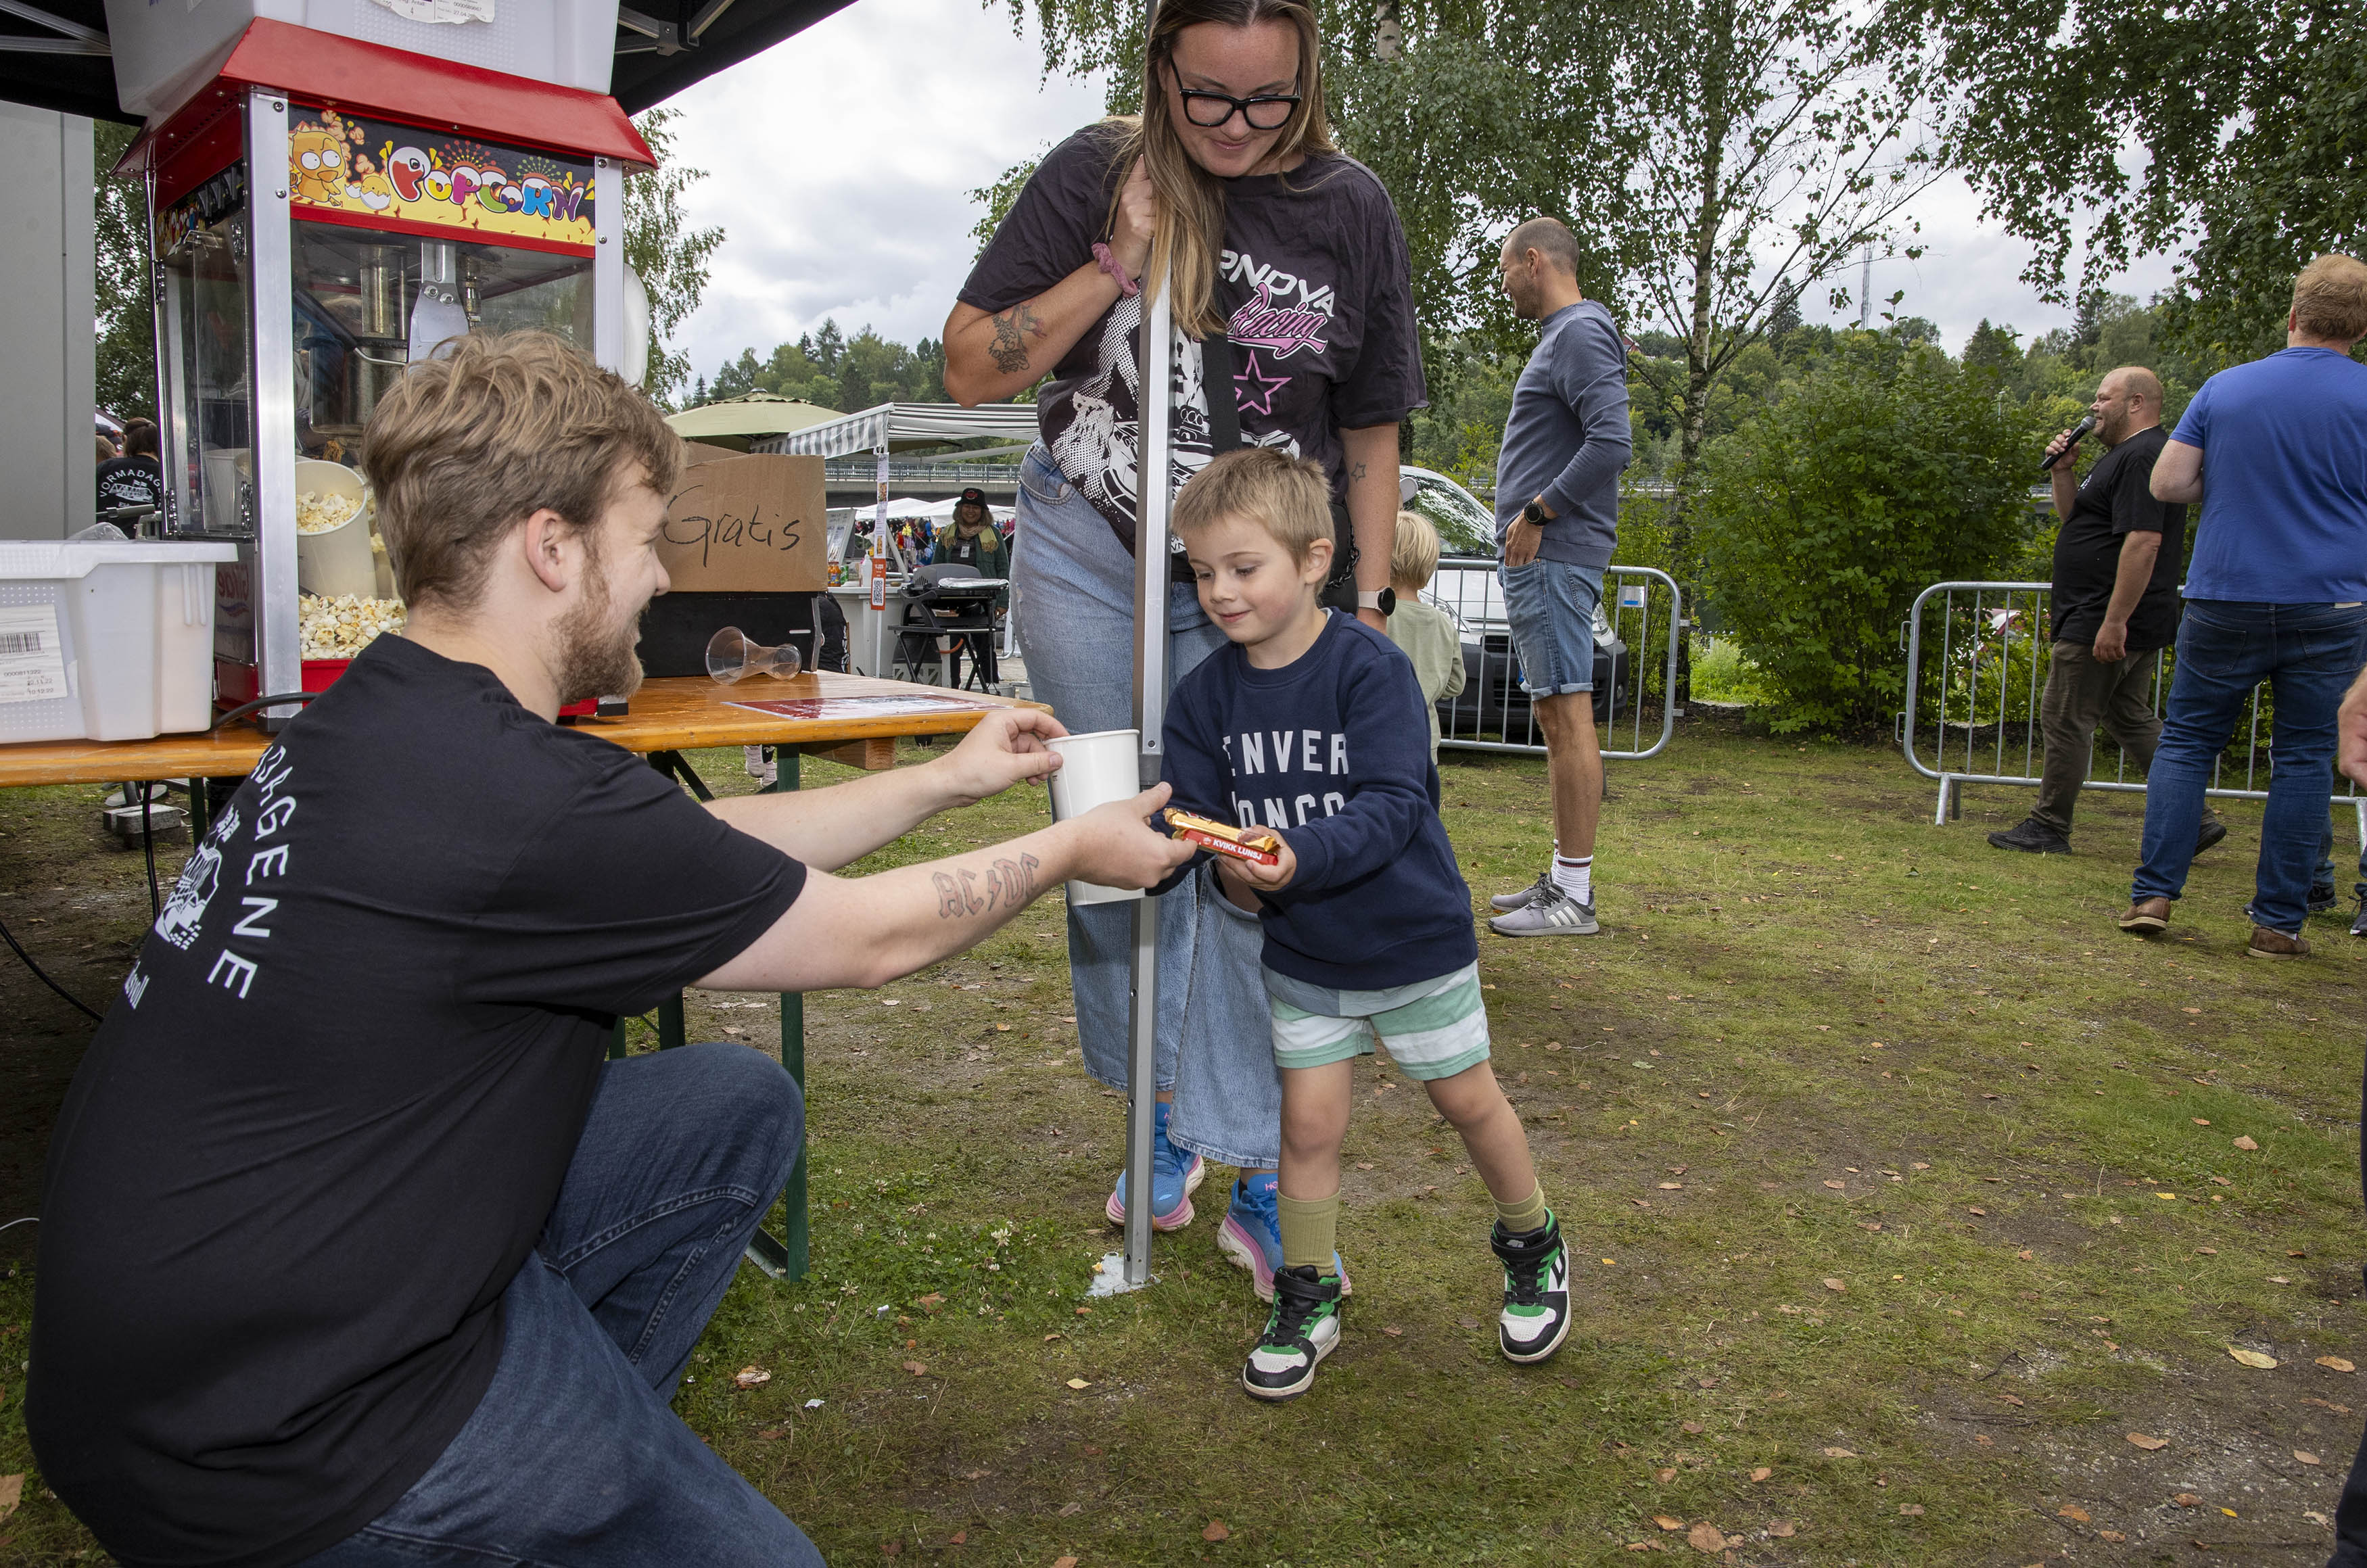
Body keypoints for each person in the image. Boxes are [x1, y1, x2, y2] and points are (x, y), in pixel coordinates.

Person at [24, 332, 1190, 1568]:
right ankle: (507, 1498)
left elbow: (695, 848)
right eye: (644, 539)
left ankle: (580, 1464)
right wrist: (1068, 849)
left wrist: (945, 781)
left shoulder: (391, 712)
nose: (661, 577)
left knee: (729, 1104)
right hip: (280, 1429)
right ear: (553, 546)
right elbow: (870, 939)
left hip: (218, 1323)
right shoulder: (512, 796)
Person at [943, 0, 1424, 1270]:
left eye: (1269, 99)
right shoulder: (1098, 171)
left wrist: (1367, 610)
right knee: (1115, 840)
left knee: (1250, 849)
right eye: (1209, 94)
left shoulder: (1348, 209)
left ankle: (1260, 1151)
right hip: (1090, 554)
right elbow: (971, 367)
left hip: (1254, 583)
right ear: (1161, 68)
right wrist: (1117, 261)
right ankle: (1155, 1116)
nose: (1236, 125)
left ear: (1308, 79)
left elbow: (1371, 430)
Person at [1157, 447, 1568, 1399]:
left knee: (1468, 1103)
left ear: (1313, 560)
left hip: (1410, 943)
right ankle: (1306, 1292)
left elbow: (1393, 804)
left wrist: (1296, 856)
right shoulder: (1202, 696)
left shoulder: (1369, 667)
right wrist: (1209, 865)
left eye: (1242, 567)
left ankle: (1533, 1242)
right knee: (1307, 1129)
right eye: (1203, 571)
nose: (1220, 592)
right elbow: (1194, 817)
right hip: (1303, 956)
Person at [2121, 253, 2367, 957]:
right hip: (2333, 601)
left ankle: (2153, 895)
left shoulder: (2225, 388)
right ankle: (2277, 923)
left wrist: (2234, 478)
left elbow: (2168, 484)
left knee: (2187, 742)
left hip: (2226, 592)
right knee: (2303, 757)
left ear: (2292, 315)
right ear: (2359, 328)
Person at [1988, 367, 2224, 857]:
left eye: (2104, 398)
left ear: (2136, 402)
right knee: (2129, 715)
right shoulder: (2122, 457)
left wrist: (2114, 621)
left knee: (2065, 716)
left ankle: (2049, 825)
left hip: (2104, 614)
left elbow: (2145, 541)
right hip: (2115, 613)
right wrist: (2063, 471)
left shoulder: (2142, 455)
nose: (2093, 407)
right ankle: (2195, 819)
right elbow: (2077, 521)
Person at [1482, 217, 1630, 938]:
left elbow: (1613, 442)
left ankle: (1573, 895)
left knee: (1566, 715)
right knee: (1554, 713)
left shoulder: (1577, 333)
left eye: (1505, 270)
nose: (1504, 285)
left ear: (1534, 261)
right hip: (1548, 559)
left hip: (1554, 555)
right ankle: (1564, 879)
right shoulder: (1570, 335)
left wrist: (1540, 511)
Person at [1384, 507, 1466, 759]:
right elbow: (1455, 684)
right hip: (1425, 735)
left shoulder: (1377, 617)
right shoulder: (1443, 622)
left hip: (1382, 732)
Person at [95, 418, 164, 525]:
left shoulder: (107, 467)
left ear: (125, 439)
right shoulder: (166, 476)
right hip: (150, 535)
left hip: (107, 534)